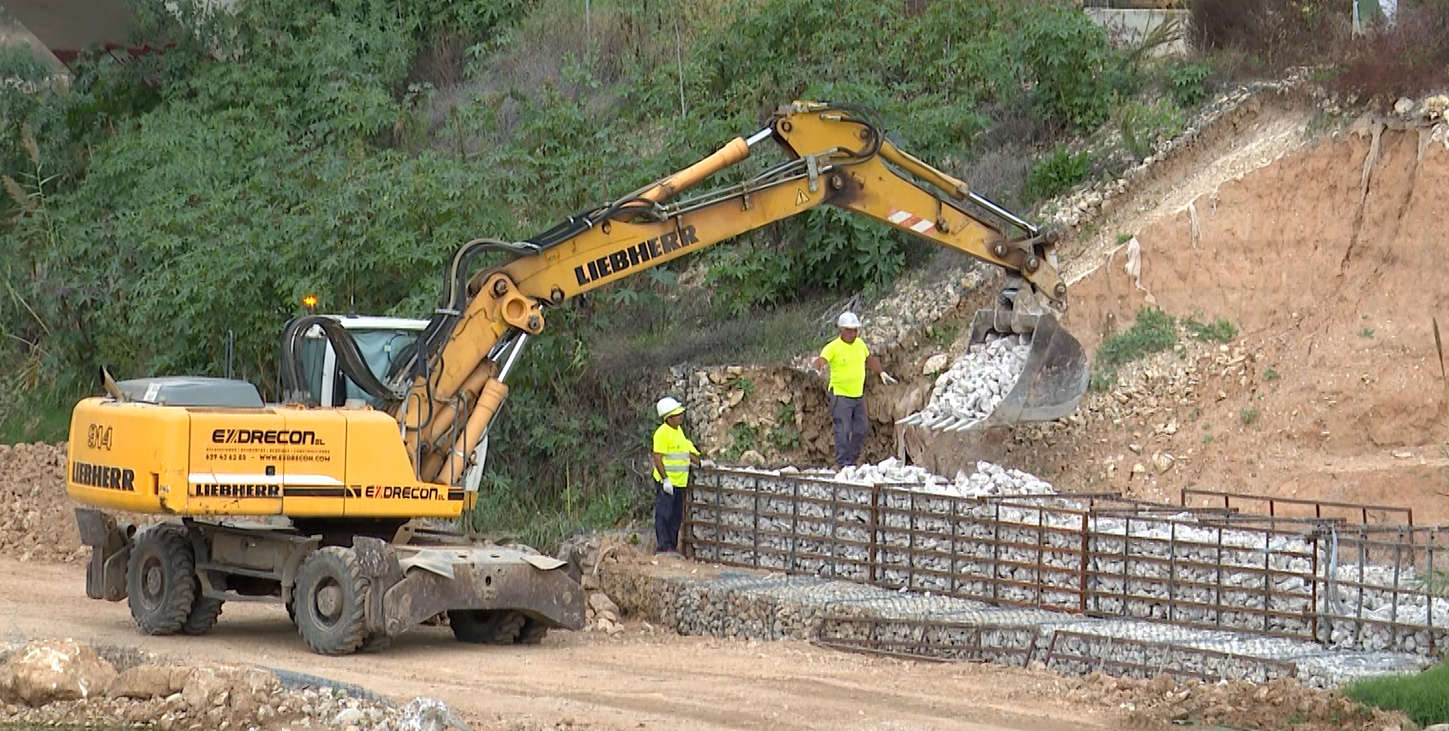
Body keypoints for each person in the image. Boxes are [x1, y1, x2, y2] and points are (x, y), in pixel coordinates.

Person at [810, 311, 897, 468]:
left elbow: (869, 359)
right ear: (841, 330)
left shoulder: (860, 345)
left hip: (858, 395)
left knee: (861, 429)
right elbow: (821, 360)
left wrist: (881, 372)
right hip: (840, 395)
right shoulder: (833, 347)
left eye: (855, 330)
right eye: (849, 330)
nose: (853, 333)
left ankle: (851, 462)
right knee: (842, 431)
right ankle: (842, 464)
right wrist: (815, 369)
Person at [651, 396, 700, 555]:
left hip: (679, 483)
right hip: (667, 482)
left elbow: (686, 451)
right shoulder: (662, 433)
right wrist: (665, 480)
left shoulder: (679, 432)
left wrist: (700, 462)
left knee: (675, 516)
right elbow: (657, 457)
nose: (680, 416)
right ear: (669, 417)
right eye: (677, 414)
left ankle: (671, 546)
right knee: (664, 514)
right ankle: (663, 547)